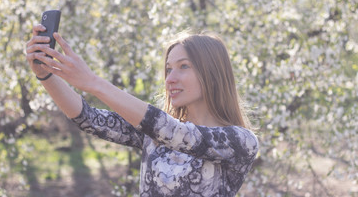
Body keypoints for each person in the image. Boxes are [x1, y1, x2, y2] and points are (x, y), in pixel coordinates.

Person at [26, 25, 259, 197]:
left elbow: (178, 134)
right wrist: (45, 74)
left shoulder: (240, 142)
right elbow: (89, 118)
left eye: (183, 67)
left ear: (212, 73)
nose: (170, 79)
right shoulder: (154, 135)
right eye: (168, 69)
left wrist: (93, 82)